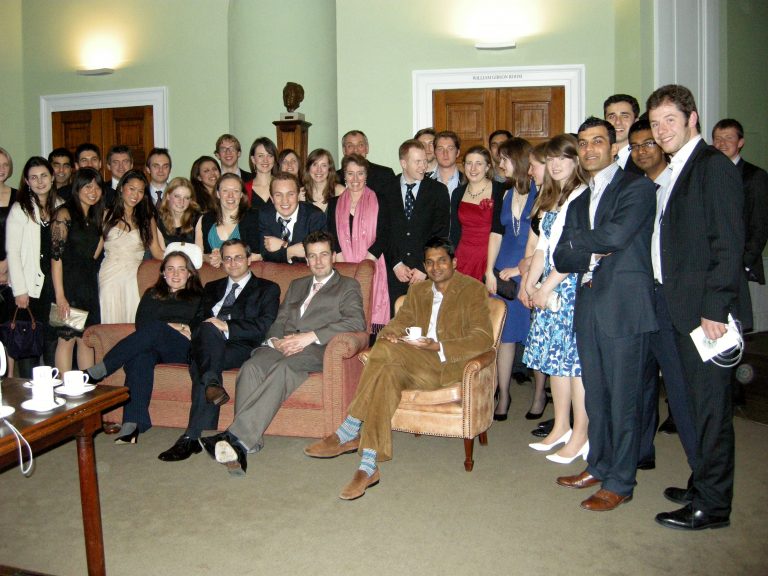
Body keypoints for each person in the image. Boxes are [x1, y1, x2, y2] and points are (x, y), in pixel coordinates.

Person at [304, 237, 493, 499]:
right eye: (429, 262)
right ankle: (368, 464)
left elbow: (483, 338)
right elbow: (399, 322)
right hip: (408, 361)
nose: (435, 267)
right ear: (424, 266)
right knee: (386, 365)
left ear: (454, 262)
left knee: (384, 354)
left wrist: (438, 346)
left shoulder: (473, 290)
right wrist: (389, 336)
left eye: (442, 260)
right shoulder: (418, 291)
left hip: (445, 365)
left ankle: (349, 427)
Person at [648, 85, 750, 531]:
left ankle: (713, 506)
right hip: (679, 309)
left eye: (670, 119)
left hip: (704, 315)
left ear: (692, 119)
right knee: (690, 404)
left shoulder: (712, 168)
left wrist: (714, 308)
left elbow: (727, 244)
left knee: (710, 410)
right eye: (655, 122)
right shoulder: (677, 169)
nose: (661, 129)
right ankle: (702, 482)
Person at [553, 117, 656, 512]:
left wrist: (582, 242)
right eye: (583, 143)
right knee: (597, 397)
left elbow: (616, 236)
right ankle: (598, 465)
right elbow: (563, 255)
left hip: (625, 308)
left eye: (598, 141)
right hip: (590, 306)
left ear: (614, 147)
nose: (590, 149)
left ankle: (621, 481)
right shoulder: (579, 199)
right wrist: (587, 245)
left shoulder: (638, 188)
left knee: (624, 400)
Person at [199, 231, 366, 475]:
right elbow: (279, 319)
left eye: (323, 255)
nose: (318, 261)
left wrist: (309, 336)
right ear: (306, 260)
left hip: (318, 348)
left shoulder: (348, 285)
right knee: (252, 366)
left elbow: (356, 322)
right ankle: (249, 443)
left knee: (283, 369)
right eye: (312, 256)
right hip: (284, 343)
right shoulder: (298, 284)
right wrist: (276, 341)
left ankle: (236, 438)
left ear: (333, 256)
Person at [158, 239, 280, 462]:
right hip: (207, 343)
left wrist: (227, 326)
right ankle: (207, 399)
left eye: (238, 257)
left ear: (249, 259)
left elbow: (264, 325)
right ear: (222, 262)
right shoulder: (211, 288)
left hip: (240, 346)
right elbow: (196, 319)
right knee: (205, 333)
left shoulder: (267, 288)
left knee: (200, 358)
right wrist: (193, 329)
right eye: (228, 258)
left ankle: (192, 434)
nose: (233, 263)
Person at [627, 118, 696, 471]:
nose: (641, 151)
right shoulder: (634, 189)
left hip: (670, 300)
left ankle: (701, 474)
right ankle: (641, 452)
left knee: (680, 388)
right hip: (640, 298)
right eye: (635, 146)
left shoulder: (678, 184)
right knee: (638, 383)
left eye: (648, 143)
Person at [87, 246, 205, 444]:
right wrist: (178, 326)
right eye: (170, 268)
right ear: (163, 273)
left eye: (181, 269)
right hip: (153, 345)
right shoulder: (152, 294)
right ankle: (132, 425)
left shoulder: (200, 298)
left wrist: (172, 328)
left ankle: (100, 370)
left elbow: (198, 328)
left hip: (182, 348)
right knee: (140, 357)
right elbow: (142, 325)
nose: (176, 274)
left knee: (156, 329)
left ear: (190, 273)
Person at [521, 134, 589, 463]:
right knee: (555, 363)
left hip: (570, 289)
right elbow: (542, 248)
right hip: (548, 288)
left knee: (575, 365)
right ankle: (561, 425)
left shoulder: (581, 196)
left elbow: (575, 254)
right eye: (551, 159)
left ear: (577, 160)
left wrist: (546, 288)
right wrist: (530, 285)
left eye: (563, 157)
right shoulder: (553, 197)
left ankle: (581, 433)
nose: (556, 164)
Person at [483, 138, 536, 420]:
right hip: (502, 269)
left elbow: (545, 239)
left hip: (530, 269)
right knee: (503, 336)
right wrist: (489, 270)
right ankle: (503, 394)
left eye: (504, 159)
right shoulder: (503, 191)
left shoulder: (542, 190)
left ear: (519, 161)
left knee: (534, 334)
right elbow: (495, 233)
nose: (500, 164)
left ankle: (540, 393)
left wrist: (521, 268)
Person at [373, 140, 450, 312]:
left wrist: (424, 266)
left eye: (424, 161)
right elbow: (383, 232)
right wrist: (395, 264)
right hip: (395, 274)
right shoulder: (385, 190)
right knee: (398, 326)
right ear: (403, 163)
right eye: (417, 161)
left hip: (427, 273)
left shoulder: (438, 191)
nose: (423, 166)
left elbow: (441, 234)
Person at [6, 157, 63, 376]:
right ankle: (29, 393)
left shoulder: (60, 206)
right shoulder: (20, 209)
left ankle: (52, 392)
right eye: (34, 177)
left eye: (44, 176)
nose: (40, 182)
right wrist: (19, 290)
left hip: (53, 285)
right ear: (27, 181)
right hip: (30, 287)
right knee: (29, 344)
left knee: (52, 341)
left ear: (52, 177)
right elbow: (13, 252)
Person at [326, 154, 390, 331]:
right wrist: (343, 262)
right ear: (344, 176)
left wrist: (367, 263)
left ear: (366, 175)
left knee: (372, 321)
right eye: (350, 173)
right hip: (343, 265)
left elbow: (384, 234)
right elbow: (332, 236)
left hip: (373, 265)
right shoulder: (334, 204)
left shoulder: (380, 201)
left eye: (360, 173)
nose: (355, 179)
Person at [51, 167, 105, 374]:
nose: (93, 191)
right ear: (77, 187)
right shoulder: (64, 213)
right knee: (67, 339)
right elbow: (56, 259)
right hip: (69, 285)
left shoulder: (95, 216)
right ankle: (65, 393)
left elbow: (94, 255)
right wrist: (60, 296)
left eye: (97, 186)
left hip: (89, 284)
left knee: (86, 340)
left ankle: (87, 392)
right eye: (88, 186)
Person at [99, 169, 163, 323]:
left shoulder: (147, 219)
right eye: (132, 189)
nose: (135, 195)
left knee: (133, 321)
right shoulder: (105, 215)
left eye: (140, 191)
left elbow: (158, 253)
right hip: (109, 275)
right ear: (121, 188)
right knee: (109, 321)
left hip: (134, 277)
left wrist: (189, 254)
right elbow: (94, 251)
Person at [712, 118, 768, 286]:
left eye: (729, 138)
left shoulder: (755, 176)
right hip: (715, 265)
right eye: (717, 139)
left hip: (742, 268)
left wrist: (743, 262)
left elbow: (760, 225)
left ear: (740, 142)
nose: (722, 143)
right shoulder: (709, 175)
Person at [450, 145, 503, 281]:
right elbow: (455, 230)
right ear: (463, 166)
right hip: (462, 256)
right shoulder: (457, 193)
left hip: (490, 256)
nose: (473, 169)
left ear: (487, 167)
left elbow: (500, 230)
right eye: (469, 163)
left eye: (478, 164)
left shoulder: (500, 190)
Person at [257, 172, 326, 264]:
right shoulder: (265, 215)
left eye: (290, 194)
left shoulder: (315, 216)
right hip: (275, 273)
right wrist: (293, 250)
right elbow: (266, 255)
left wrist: (284, 245)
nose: (285, 200)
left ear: (298, 196)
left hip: (306, 274)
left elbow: (315, 256)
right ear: (272, 199)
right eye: (278, 195)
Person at [195, 173, 259, 267]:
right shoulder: (204, 219)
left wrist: (224, 258)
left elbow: (258, 255)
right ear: (218, 194)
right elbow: (198, 255)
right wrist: (209, 258)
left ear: (241, 194)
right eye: (225, 191)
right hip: (214, 276)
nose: (230, 195)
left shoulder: (253, 217)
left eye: (236, 191)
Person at [0, 147, 18, 374]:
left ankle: (10, 380)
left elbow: (21, 236)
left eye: (4, 165)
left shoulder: (18, 196)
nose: (1, 170)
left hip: (12, 270)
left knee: (8, 330)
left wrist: (6, 264)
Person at [335, 130, 396, 194]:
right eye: (350, 146)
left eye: (360, 145)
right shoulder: (334, 178)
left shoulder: (385, 175)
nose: (355, 150)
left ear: (367, 148)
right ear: (344, 150)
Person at [603, 94, 644, 175]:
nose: (618, 122)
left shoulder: (645, 158)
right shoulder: (597, 156)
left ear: (636, 121)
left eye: (625, 116)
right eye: (612, 116)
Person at [155, 177, 201, 249]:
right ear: (168, 196)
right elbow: (162, 253)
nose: (181, 202)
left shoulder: (197, 218)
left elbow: (199, 252)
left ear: (190, 200)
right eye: (177, 196)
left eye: (186, 198)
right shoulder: (158, 219)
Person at [432, 130, 467, 211]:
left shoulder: (468, 183)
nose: (445, 153)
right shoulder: (425, 183)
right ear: (434, 153)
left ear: (457, 152)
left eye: (450, 148)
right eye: (440, 149)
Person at [302, 148, 344, 213]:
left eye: (324, 165)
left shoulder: (340, 192)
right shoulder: (301, 194)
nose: (319, 170)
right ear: (308, 168)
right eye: (315, 164)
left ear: (329, 169)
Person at [245, 137, 279, 208]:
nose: (265, 160)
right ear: (253, 159)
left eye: (270, 155)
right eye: (260, 156)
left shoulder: (282, 185)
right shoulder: (244, 189)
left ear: (274, 159)